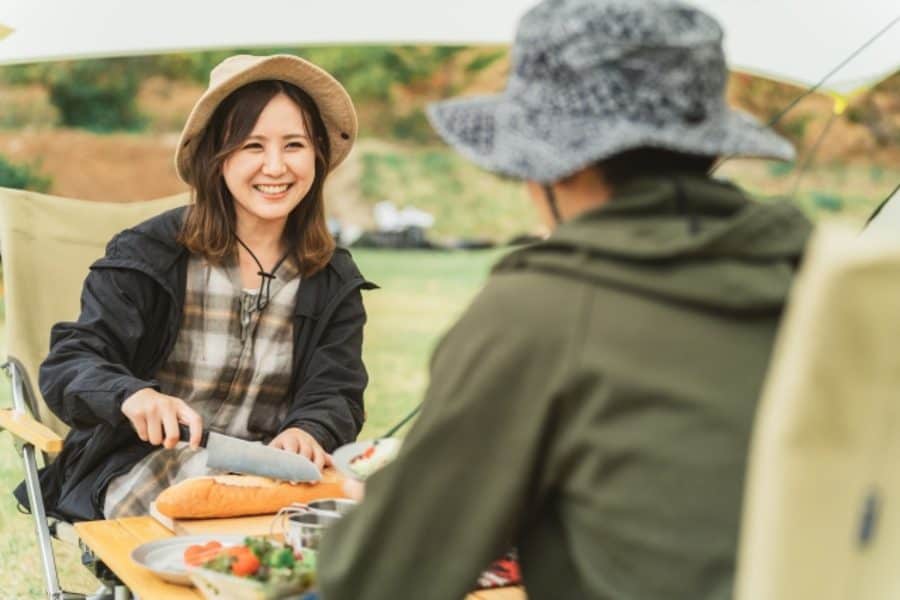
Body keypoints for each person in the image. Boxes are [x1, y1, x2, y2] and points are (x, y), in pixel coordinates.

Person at [317, 1, 811, 598]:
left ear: (556, 167)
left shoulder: (541, 309)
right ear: (704, 149)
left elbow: (378, 578)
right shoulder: (816, 270)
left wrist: (396, 505)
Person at [18, 55, 375, 521]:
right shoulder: (148, 254)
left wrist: (310, 429)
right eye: (251, 146)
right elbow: (72, 362)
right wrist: (132, 395)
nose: (275, 166)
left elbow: (337, 391)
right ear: (215, 157)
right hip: (144, 468)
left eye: (294, 145)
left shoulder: (332, 277)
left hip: (270, 476)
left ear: (317, 157)